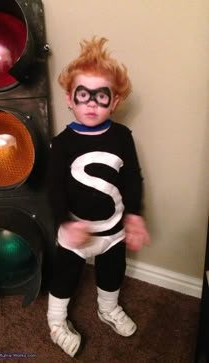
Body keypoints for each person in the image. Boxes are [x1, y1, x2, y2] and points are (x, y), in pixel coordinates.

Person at [47, 37, 150, 358]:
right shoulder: (62, 144)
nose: (91, 104)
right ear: (70, 99)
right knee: (64, 276)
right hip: (75, 230)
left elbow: (132, 177)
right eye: (83, 95)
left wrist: (134, 215)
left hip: (113, 228)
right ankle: (56, 322)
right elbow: (53, 188)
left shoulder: (122, 137)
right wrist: (65, 220)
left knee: (112, 269)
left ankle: (108, 308)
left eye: (101, 96)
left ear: (114, 102)